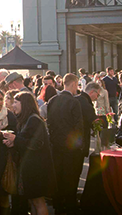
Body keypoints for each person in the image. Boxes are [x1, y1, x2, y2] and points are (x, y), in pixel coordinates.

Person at [2, 92, 56, 215]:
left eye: (16, 102)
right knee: (33, 201)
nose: (13, 105)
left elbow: (36, 144)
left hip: (37, 169)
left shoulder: (33, 120)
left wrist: (15, 139)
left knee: (38, 201)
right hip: (32, 168)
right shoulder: (27, 119)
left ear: (25, 104)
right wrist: (13, 143)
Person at [46, 73, 83, 215]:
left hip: (56, 145)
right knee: (71, 178)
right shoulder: (74, 102)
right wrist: (78, 146)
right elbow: (78, 127)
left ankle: (58, 206)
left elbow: (49, 123)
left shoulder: (52, 100)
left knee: (58, 177)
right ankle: (70, 206)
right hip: (70, 148)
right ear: (74, 84)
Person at [75, 82, 100, 161]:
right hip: (81, 141)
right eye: (97, 94)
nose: (97, 97)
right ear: (92, 92)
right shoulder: (86, 104)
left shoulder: (76, 99)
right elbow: (93, 122)